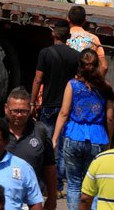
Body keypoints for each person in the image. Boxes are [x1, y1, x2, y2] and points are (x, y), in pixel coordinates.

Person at [51, 49, 114, 210]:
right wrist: (110, 140)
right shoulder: (106, 87)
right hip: (97, 138)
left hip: (74, 136)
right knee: (93, 184)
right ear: (97, 65)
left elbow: (64, 113)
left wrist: (55, 137)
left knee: (73, 184)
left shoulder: (72, 85)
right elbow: (109, 118)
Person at [30, 19, 78, 200]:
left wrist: (32, 102)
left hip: (49, 105)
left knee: (48, 146)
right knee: (64, 145)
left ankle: (45, 185)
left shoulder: (45, 53)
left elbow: (38, 79)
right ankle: (57, 186)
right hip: (68, 107)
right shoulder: (75, 55)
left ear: (54, 34)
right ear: (68, 36)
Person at [4, 88, 57, 208]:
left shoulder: (40, 131)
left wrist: (52, 197)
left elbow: (50, 167)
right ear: (6, 108)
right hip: (3, 198)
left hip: (32, 200)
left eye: (23, 111)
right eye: (15, 111)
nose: (19, 115)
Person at [67, 5, 107, 76]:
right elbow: (104, 66)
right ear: (85, 21)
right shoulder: (94, 38)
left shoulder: (64, 37)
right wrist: (96, 82)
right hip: (86, 83)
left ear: (68, 19)